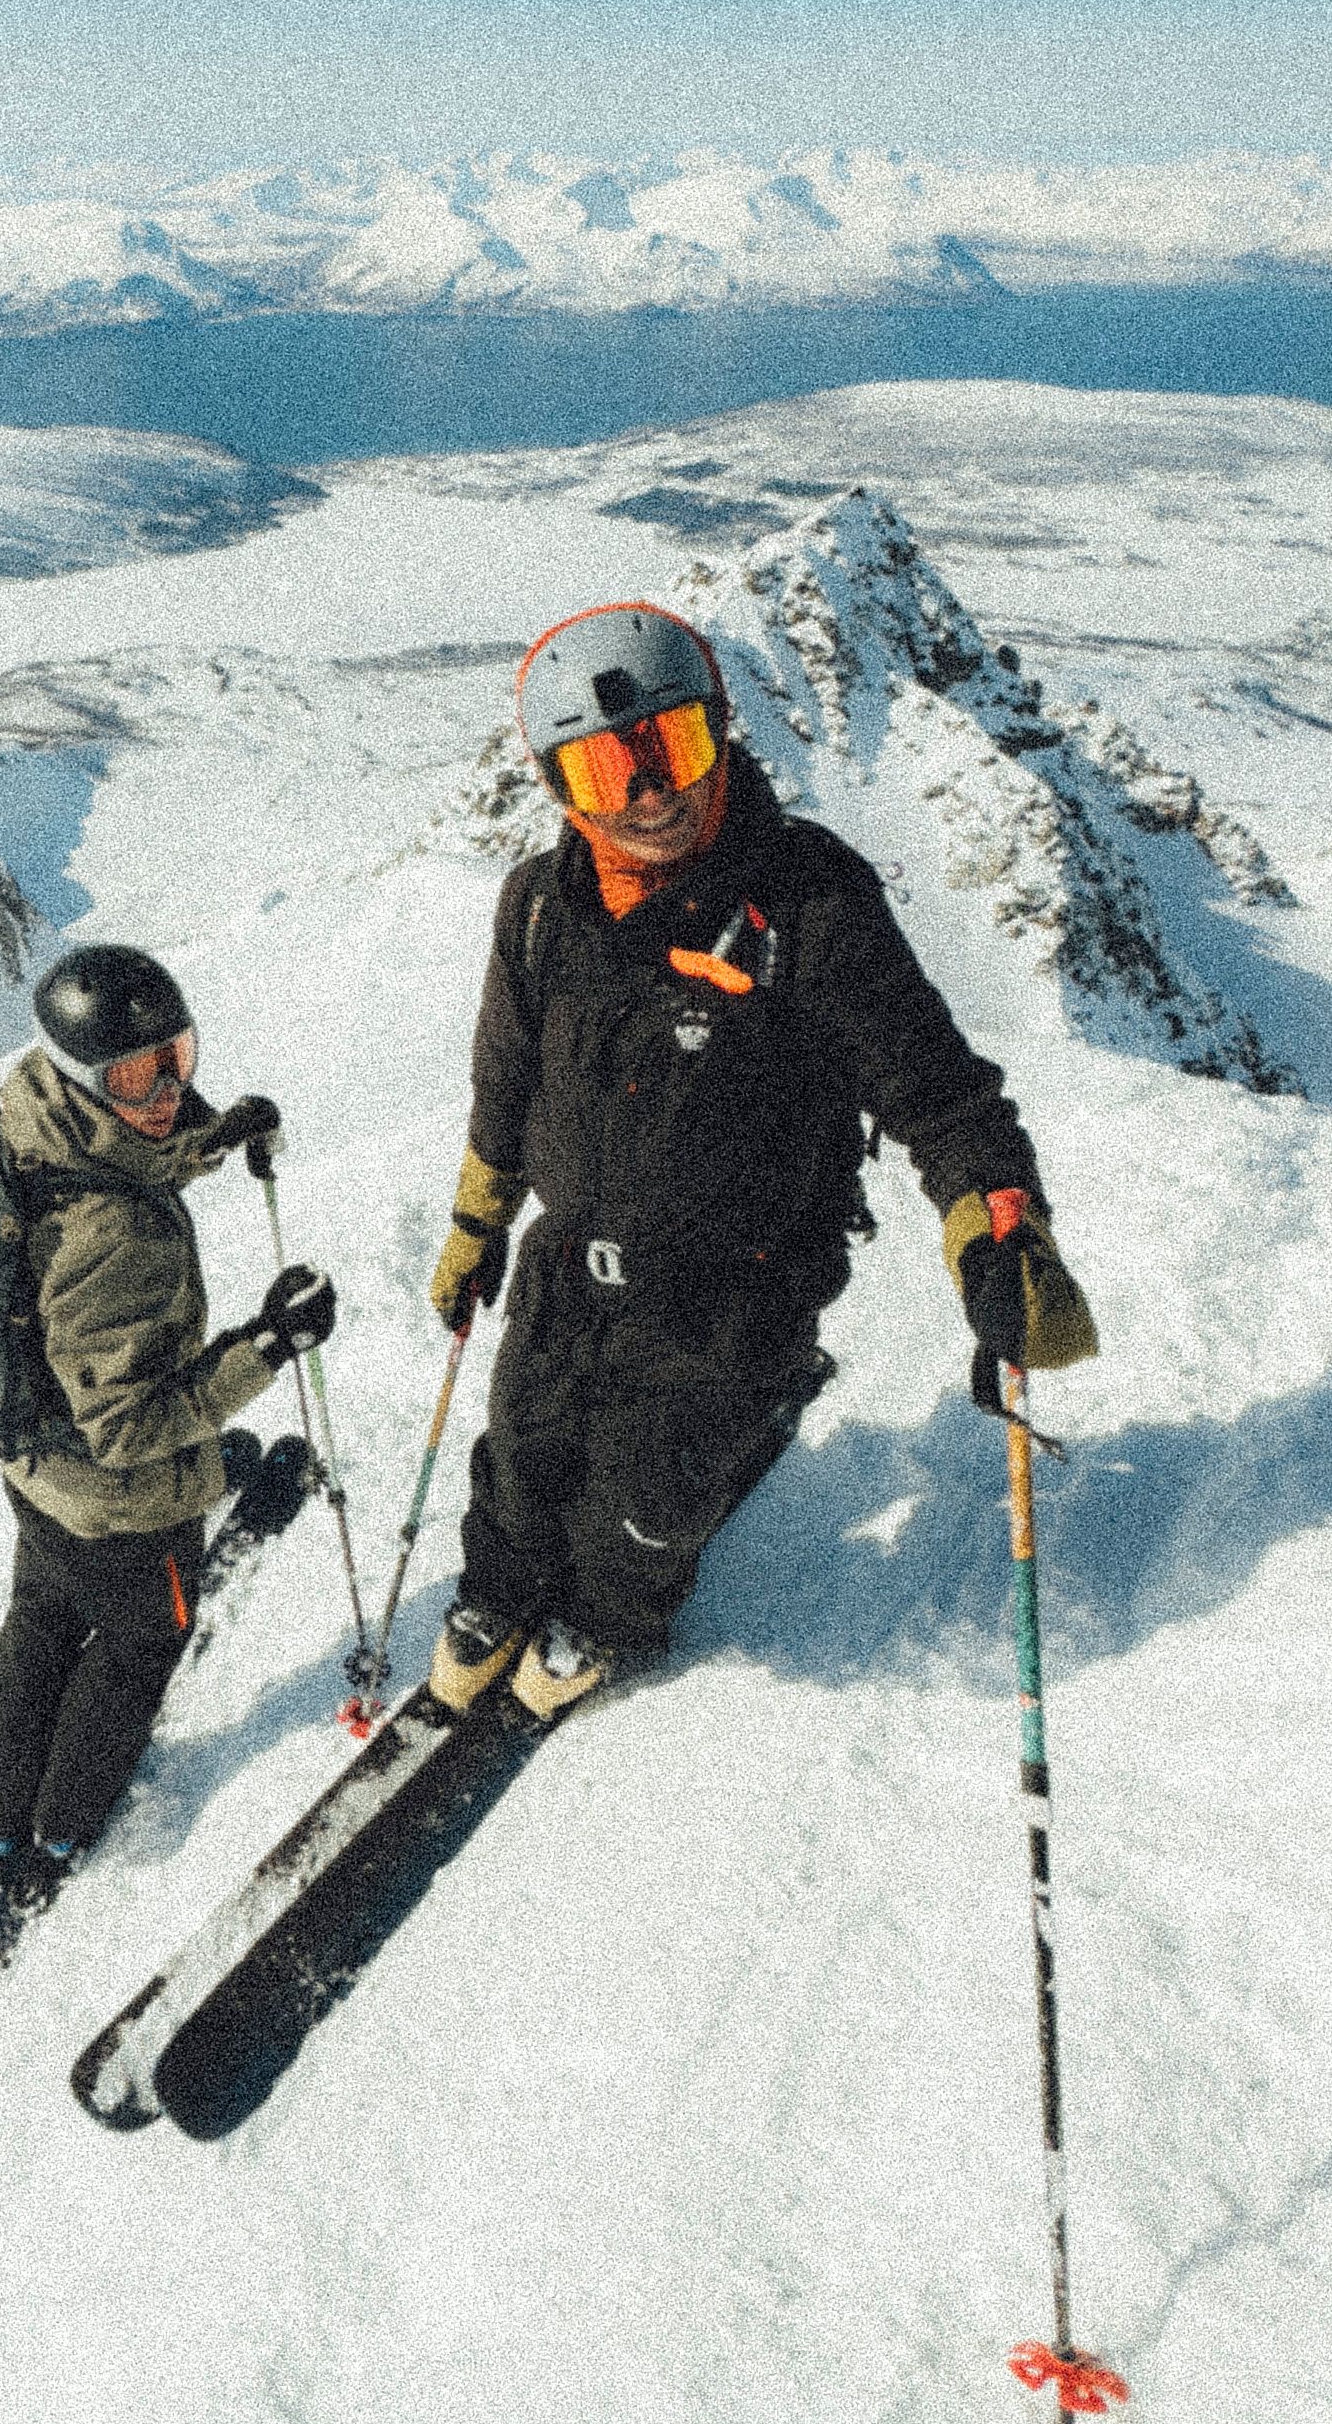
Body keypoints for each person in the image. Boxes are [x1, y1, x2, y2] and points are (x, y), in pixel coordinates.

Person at [424, 601, 1098, 1726]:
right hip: (567, 1258)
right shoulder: (539, 908)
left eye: (672, 746)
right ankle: (500, 1588)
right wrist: (475, 1221)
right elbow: (504, 1076)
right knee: (521, 1446)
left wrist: (996, 1226)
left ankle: (611, 1614)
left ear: (721, 729)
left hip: (728, 1278)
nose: (651, 793)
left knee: (648, 1492)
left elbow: (939, 1095)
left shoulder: (806, 904)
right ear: (557, 786)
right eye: (607, 766)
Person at [0, 943, 335, 1868]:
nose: (165, 1092)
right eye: (135, 1075)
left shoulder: (35, 1120)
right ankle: (62, 1829)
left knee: (42, 1618)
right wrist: (268, 1346)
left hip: (35, 1464)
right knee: (141, 1645)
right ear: (82, 1078)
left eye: (178, 1057)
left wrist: (213, 1136)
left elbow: (124, 1154)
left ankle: (1, 1817)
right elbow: (132, 1429)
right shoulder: (113, 1236)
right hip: (123, 1507)